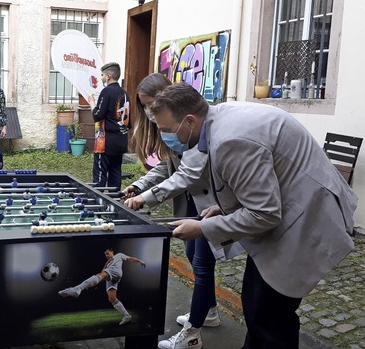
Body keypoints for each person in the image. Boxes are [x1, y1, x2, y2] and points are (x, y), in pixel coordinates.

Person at [151, 83, 356, 348]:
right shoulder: (218, 119)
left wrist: (203, 228)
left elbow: (265, 214)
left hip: (305, 220)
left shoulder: (230, 140)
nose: (166, 136)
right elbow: (259, 184)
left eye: (167, 130)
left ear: (189, 120)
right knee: (258, 308)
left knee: (269, 316)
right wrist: (225, 209)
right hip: (291, 212)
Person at [122, 74, 242, 349]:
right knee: (194, 257)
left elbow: (187, 174)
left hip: (208, 204)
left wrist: (145, 198)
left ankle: (192, 334)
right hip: (189, 202)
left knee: (202, 263)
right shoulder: (170, 129)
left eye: (151, 104)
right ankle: (209, 311)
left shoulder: (196, 126)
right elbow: (167, 166)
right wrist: (138, 185)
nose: (149, 113)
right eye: (144, 107)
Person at [58, 248, 146, 326]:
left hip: (115, 271)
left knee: (100, 275)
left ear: (112, 252)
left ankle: (77, 288)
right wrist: (88, 285)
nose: (106, 255)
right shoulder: (107, 263)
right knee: (112, 298)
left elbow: (129, 258)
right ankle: (127, 316)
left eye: (108, 253)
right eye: (105, 254)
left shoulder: (119, 255)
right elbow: (100, 276)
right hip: (110, 278)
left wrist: (140, 261)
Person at [87, 62, 130, 190]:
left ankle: (99, 205)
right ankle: (114, 204)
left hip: (106, 143)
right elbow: (128, 121)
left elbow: (97, 115)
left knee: (100, 177)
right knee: (115, 174)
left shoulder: (106, 92)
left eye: (102, 75)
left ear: (109, 76)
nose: (101, 78)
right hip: (121, 141)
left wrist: (92, 102)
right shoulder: (125, 93)